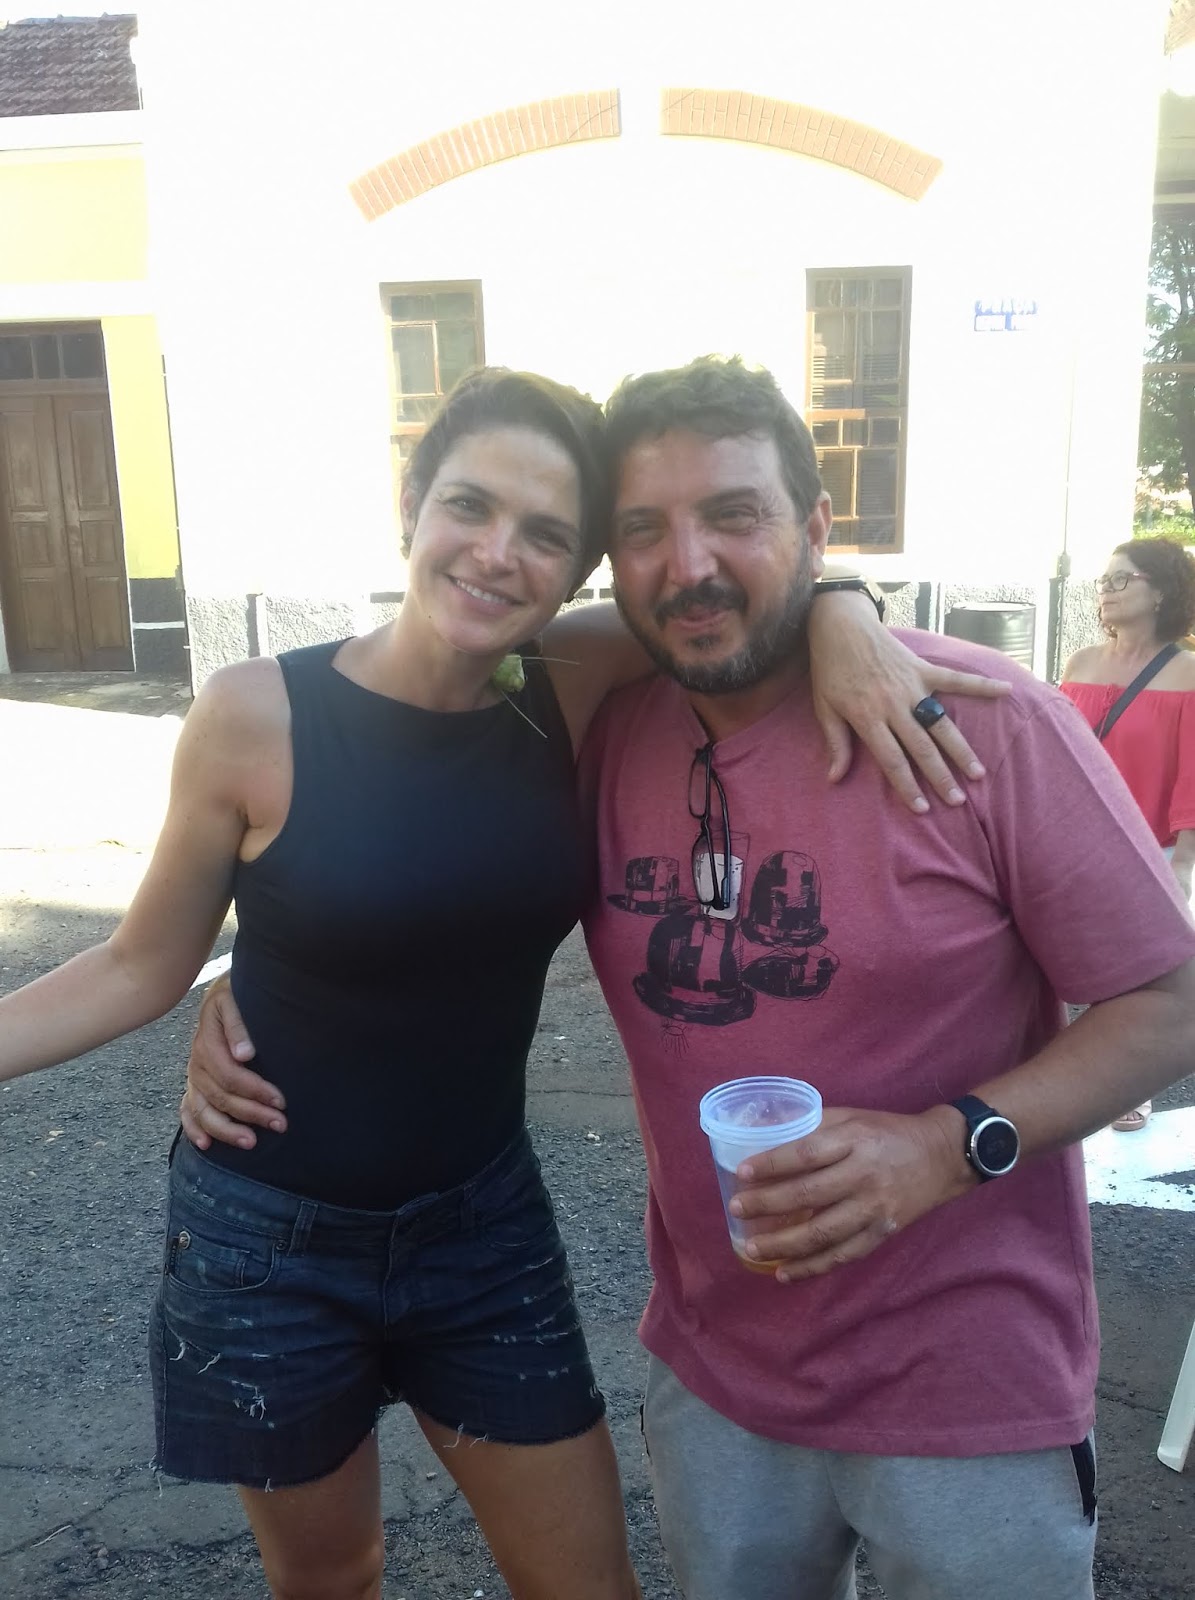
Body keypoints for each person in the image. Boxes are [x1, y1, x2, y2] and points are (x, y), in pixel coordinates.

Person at [187, 357, 1195, 1600]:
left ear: (815, 528)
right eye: (644, 531)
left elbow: (1169, 1002)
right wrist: (274, 988)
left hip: (970, 1390)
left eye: (734, 515)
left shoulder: (977, 718)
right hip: (718, 1381)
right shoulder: (596, 730)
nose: (690, 564)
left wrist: (952, 1142)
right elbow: (404, 866)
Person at [0, 365, 1001, 1600]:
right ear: (411, 505)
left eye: (544, 534)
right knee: (333, 1579)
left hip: (481, 1232)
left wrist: (845, 604)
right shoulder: (254, 712)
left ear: (577, 569)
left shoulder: (569, 682)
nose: (496, 554)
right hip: (267, 1238)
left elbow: (743, 592)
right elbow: (139, 962)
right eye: (469, 506)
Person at [1061, 536, 1195, 1130]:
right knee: (1059, 960)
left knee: (1132, 975)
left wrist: (1183, 861)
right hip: (1072, 839)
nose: (1107, 591)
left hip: (1147, 847)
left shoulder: (1188, 673)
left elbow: (1192, 776)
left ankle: (1125, 1084)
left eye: (1123, 579)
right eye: (1104, 581)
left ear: (1160, 591)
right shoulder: (1081, 663)